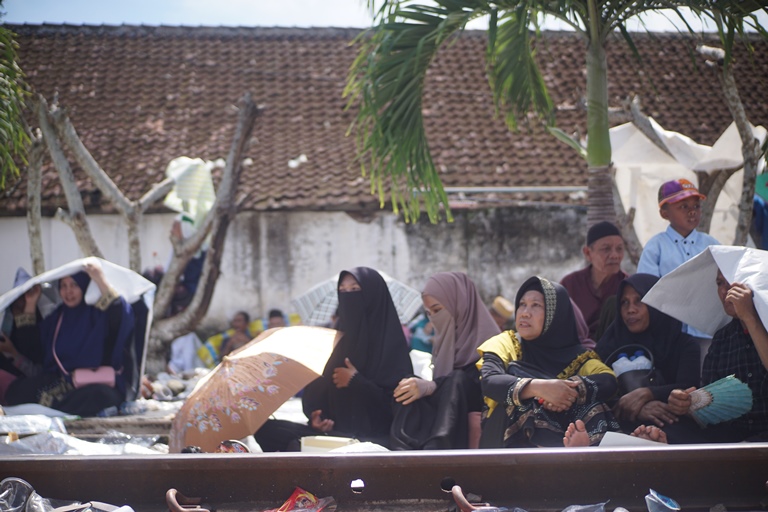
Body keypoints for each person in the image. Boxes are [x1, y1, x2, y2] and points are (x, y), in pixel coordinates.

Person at [254, 267, 413, 451]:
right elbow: (317, 394)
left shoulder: (391, 345)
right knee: (268, 430)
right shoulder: (336, 341)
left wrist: (357, 382)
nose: (348, 296)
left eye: (355, 290)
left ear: (373, 297)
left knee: (299, 448)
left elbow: (396, 411)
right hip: (336, 435)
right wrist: (317, 418)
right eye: (343, 291)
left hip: (376, 438)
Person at [478, 276, 620, 448]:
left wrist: (563, 391)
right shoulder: (507, 342)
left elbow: (608, 380)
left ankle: (582, 453)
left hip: (563, 428)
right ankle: (556, 454)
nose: (524, 313)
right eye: (522, 304)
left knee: (595, 403)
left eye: (536, 305)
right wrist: (540, 388)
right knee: (524, 400)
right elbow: (490, 380)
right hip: (504, 438)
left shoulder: (579, 357)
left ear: (556, 314)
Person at [5, 262, 135, 417]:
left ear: (84, 286)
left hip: (95, 382)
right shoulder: (58, 318)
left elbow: (119, 313)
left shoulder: (97, 315)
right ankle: (61, 408)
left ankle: (57, 408)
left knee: (101, 396)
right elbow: (33, 349)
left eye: (74, 285)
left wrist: (100, 280)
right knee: (16, 391)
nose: (68, 292)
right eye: (63, 286)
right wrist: (31, 304)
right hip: (61, 382)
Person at [392, 272, 500, 449]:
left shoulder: (495, 344)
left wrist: (434, 386)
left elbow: (483, 388)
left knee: (456, 379)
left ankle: (435, 449)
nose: (434, 318)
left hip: (472, 438)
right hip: (450, 426)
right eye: (429, 313)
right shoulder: (444, 345)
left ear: (460, 305)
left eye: (437, 310)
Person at [664, 270, 768, 443]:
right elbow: (712, 402)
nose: (725, 290)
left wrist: (749, 316)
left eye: (732, 282)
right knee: (671, 430)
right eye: (720, 283)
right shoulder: (722, 338)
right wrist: (687, 403)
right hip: (733, 435)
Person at [595, 274, 700, 431]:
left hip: (671, 424)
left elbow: (689, 386)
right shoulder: (609, 345)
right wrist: (637, 408)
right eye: (624, 302)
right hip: (620, 427)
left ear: (656, 303)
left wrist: (648, 393)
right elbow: (595, 392)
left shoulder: (684, 345)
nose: (630, 310)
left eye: (639, 301)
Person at [637, 179, 719, 363]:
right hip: (670, 336)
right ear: (664, 213)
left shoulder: (712, 244)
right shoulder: (656, 247)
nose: (692, 211)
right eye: (683, 206)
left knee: (707, 380)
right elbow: (647, 291)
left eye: (696, 206)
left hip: (709, 332)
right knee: (679, 383)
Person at [561, 221, 628, 340]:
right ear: (588, 253)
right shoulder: (570, 284)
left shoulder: (627, 285)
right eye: (606, 249)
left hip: (611, 349)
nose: (615, 255)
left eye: (619, 249)